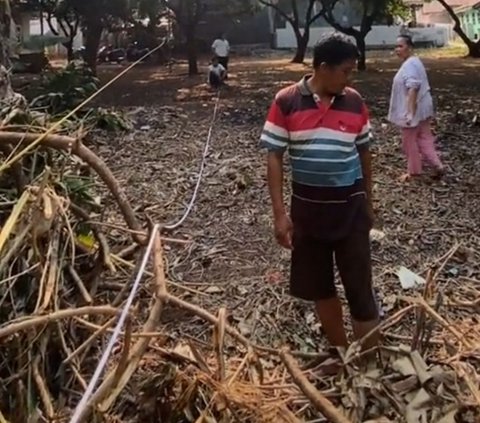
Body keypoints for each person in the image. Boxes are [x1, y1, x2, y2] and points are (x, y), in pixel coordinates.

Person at [260, 33, 380, 354]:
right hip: (309, 211)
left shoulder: (354, 101)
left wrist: (369, 199)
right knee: (321, 287)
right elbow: (274, 155)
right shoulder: (286, 100)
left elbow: (364, 151)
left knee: (359, 287)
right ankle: (341, 354)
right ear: (323, 68)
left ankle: (368, 360)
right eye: (345, 71)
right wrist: (280, 215)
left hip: (350, 208)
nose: (349, 78)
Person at [388, 35, 444, 182]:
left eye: (400, 46)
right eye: (396, 46)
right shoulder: (414, 61)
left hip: (415, 108)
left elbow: (413, 87)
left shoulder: (410, 64)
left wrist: (410, 113)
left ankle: (414, 171)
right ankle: (437, 165)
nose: (397, 50)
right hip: (424, 107)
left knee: (409, 141)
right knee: (424, 137)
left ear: (410, 47)